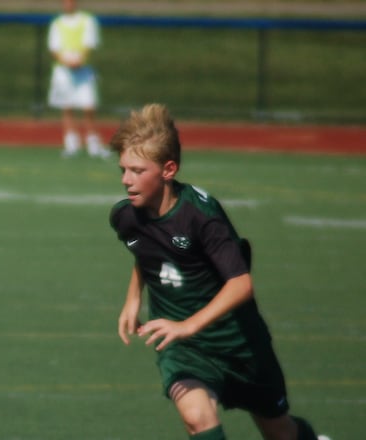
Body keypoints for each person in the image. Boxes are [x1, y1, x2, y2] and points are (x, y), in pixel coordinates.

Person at [108, 103, 327, 440]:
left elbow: (240, 284)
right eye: (123, 169)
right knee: (197, 417)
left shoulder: (201, 215)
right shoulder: (125, 217)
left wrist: (187, 325)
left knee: (280, 431)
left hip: (238, 342)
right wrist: (132, 298)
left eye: (137, 170)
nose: (126, 180)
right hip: (184, 349)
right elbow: (148, 253)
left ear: (168, 169)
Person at [47, 0, 110, 159]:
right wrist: (66, 61)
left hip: (83, 70)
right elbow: (54, 48)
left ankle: (93, 144)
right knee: (67, 106)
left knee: (89, 106)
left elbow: (90, 44)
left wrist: (79, 60)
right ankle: (71, 144)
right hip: (64, 70)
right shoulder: (57, 23)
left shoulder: (87, 20)